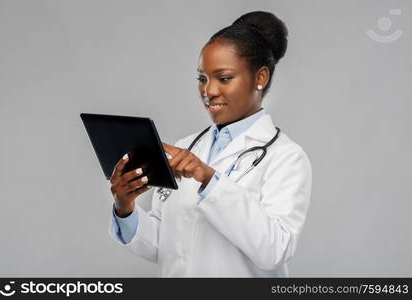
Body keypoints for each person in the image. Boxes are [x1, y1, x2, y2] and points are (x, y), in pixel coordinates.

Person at [108, 11, 312, 277]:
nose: (209, 91)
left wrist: (209, 179)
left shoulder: (286, 157)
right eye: (202, 78)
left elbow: (274, 250)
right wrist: (125, 208)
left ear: (260, 78)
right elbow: (165, 246)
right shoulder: (187, 147)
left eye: (224, 78)